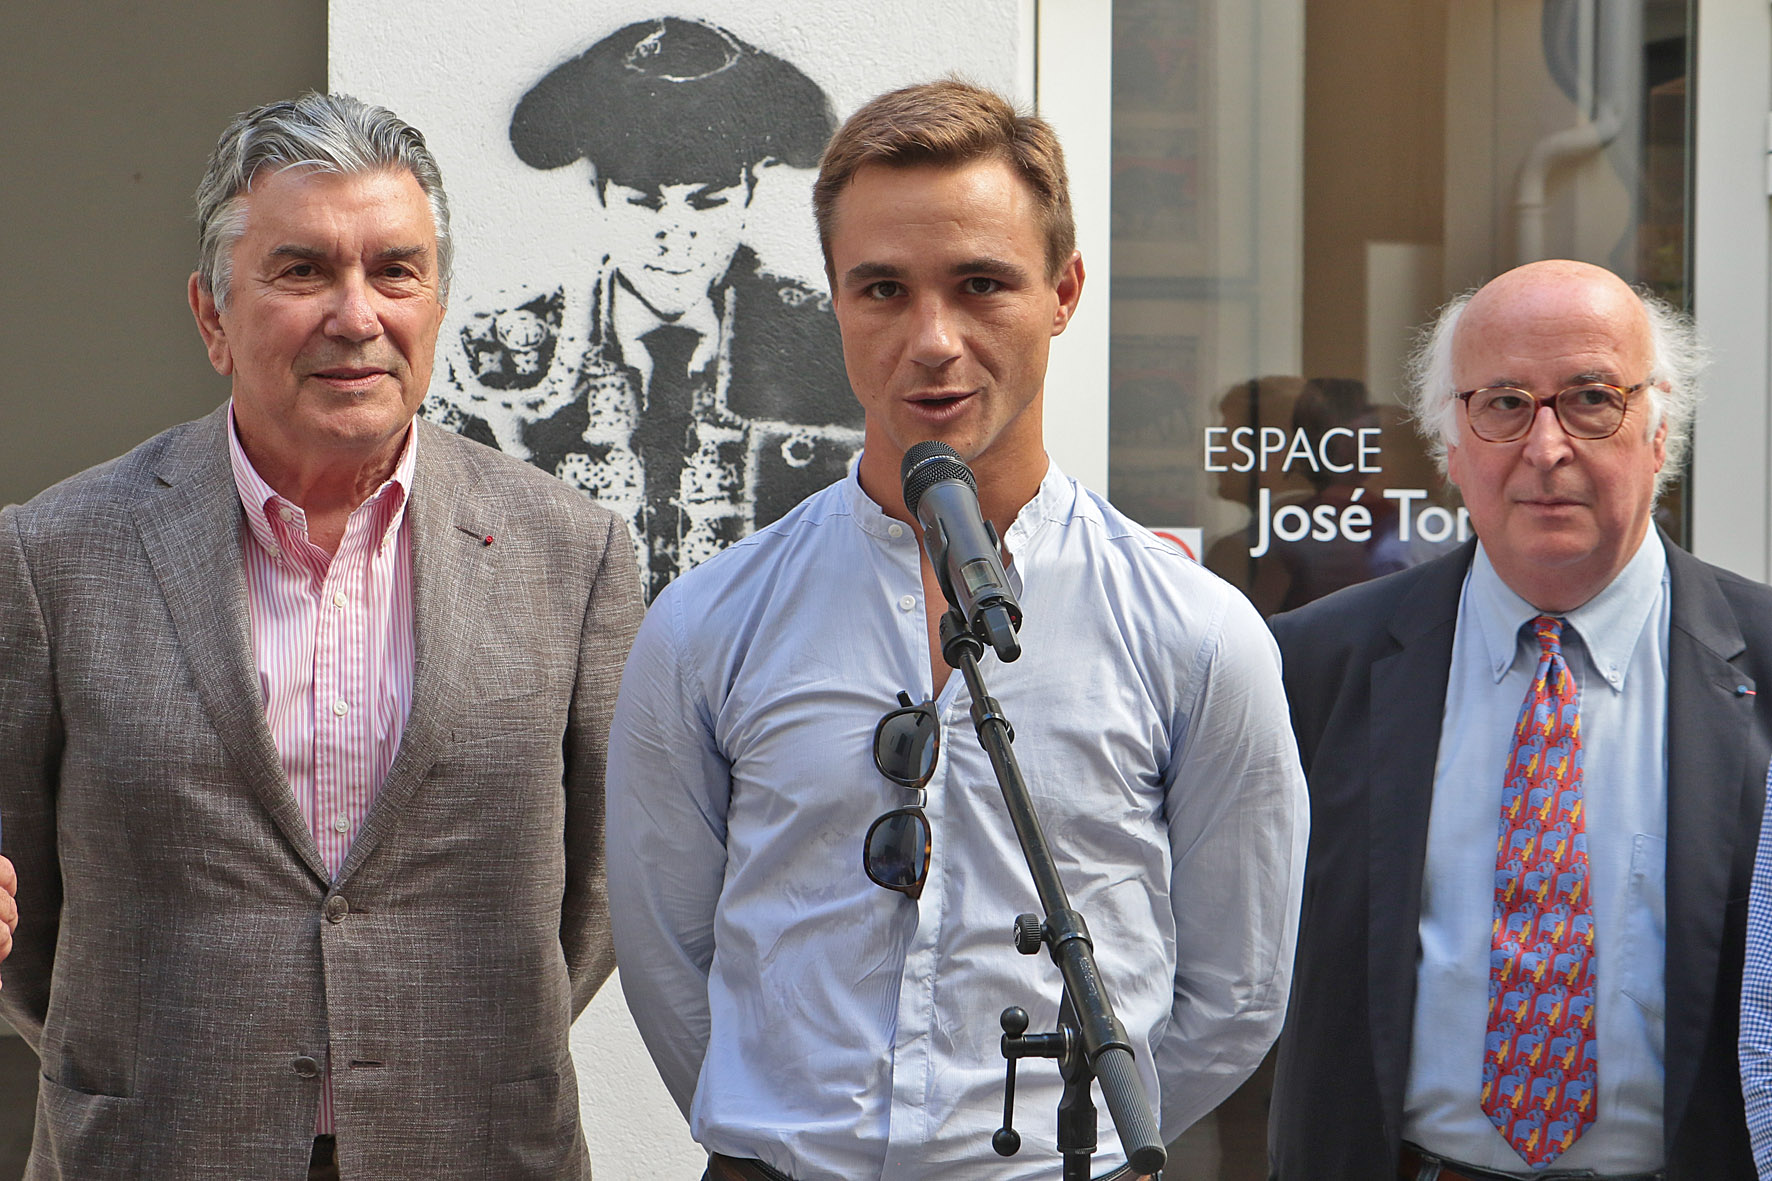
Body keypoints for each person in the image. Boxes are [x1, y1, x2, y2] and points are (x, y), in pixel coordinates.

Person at [607, 79, 1309, 1180]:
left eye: (981, 284)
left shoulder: (1195, 629)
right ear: (835, 302)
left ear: (1063, 292)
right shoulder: (707, 621)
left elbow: (1239, 986)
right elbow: (666, 955)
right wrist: (797, 1143)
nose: (932, 339)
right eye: (883, 289)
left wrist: (1065, 1154)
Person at [0, 92, 644, 1180]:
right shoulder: (53, 554)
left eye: (396, 271)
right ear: (212, 316)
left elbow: (603, 890)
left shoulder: (571, 554)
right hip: (160, 1146)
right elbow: (20, 912)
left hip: (476, 1146)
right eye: (302, 271)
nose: (356, 314)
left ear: (437, 303)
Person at [1267, 259, 1772, 1180]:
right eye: (1503, 404)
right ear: (1451, 444)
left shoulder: (1766, 666)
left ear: (1661, 430)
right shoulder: (1312, 667)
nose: (1545, 448)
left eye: (1591, 399)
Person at [430, 16, 864, 598]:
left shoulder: (826, 345)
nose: (675, 236)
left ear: (748, 196)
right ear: (601, 193)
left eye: (709, 203)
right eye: (643, 202)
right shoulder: (493, 358)